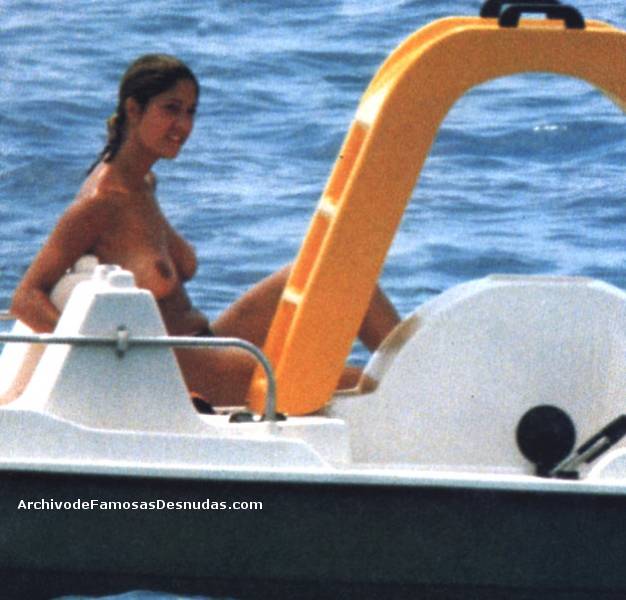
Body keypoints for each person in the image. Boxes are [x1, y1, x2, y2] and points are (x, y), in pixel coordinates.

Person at [11, 54, 400, 408]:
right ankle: (420, 395)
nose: (182, 125)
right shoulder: (101, 202)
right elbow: (26, 298)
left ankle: (419, 369)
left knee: (337, 271)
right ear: (133, 109)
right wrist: (90, 354)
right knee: (364, 383)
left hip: (208, 341)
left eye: (190, 112)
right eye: (170, 109)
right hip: (186, 372)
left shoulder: (142, 184)